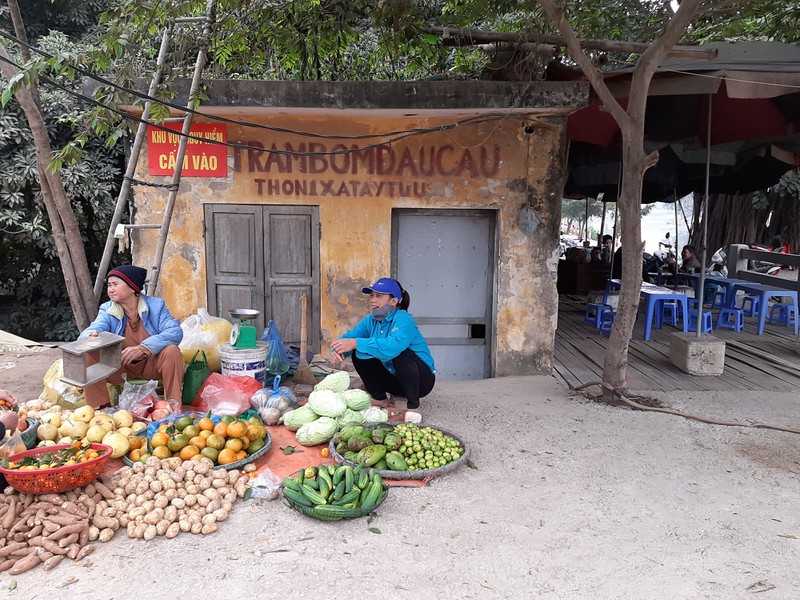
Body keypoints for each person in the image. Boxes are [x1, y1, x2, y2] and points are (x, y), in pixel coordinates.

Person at [78, 265, 184, 408]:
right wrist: (90, 335)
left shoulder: (156, 306)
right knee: (89, 354)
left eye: (115, 284)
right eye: (109, 285)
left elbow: (175, 331)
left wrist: (143, 348)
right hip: (120, 367)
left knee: (172, 351)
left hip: (151, 365)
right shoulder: (107, 309)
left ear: (133, 287)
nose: (111, 289)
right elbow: (95, 327)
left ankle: (173, 406)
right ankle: (101, 409)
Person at [329, 277, 435, 411]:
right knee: (359, 352)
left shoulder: (403, 318)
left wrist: (356, 343)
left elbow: (393, 346)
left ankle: (413, 407)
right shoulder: (370, 320)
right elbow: (349, 338)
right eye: (372, 295)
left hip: (421, 382)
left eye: (379, 296)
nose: (373, 300)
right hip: (394, 381)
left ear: (393, 301)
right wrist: (336, 351)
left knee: (399, 353)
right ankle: (379, 399)